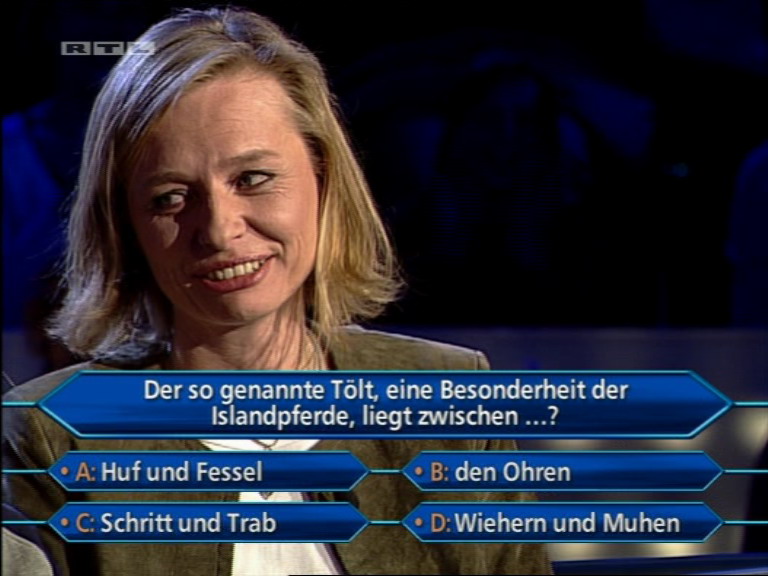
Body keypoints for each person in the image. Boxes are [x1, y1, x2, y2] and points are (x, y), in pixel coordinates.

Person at [2, 6, 552, 575]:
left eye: (252, 179)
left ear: (323, 177)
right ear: (125, 226)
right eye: (170, 198)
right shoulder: (48, 435)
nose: (219, 230)